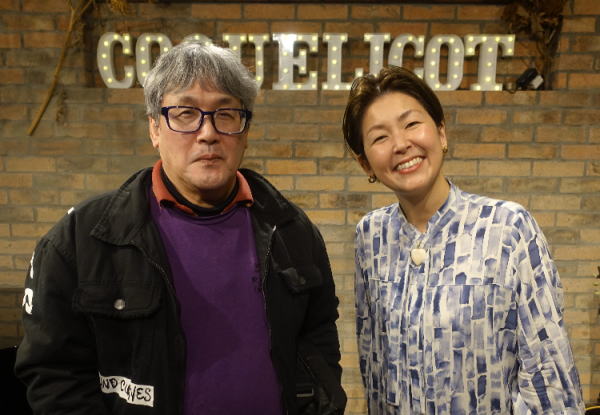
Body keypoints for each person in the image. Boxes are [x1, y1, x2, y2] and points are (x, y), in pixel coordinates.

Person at [15, 41, 346, 415]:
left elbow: (318, 340)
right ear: (154, 128)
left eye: (226, 114)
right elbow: (54, 374)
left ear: (245, 131)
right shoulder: (81, 239)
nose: (208, 133)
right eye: (186, 113)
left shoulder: (291, 229)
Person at [342, 66, 584, 414]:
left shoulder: (508, 228)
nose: (401, 144)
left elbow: (550, 381)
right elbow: (375, 365)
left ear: (441, 132)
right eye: (380, 137)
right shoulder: (371, 235)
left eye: (412, 124)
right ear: (365, 163)